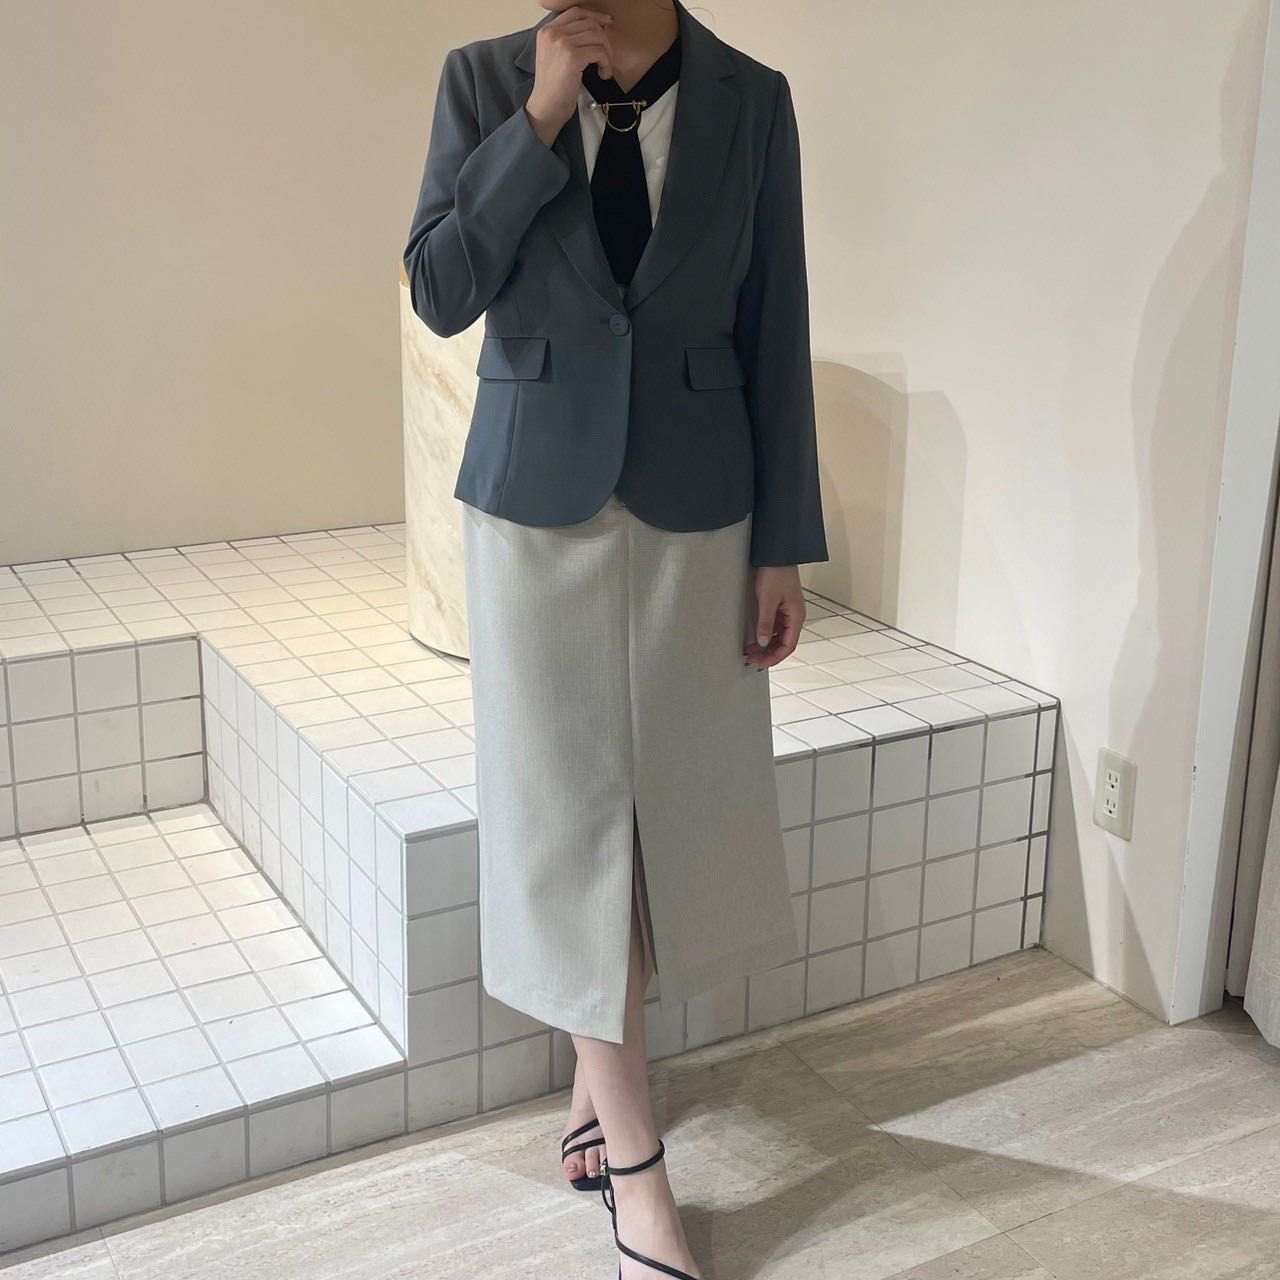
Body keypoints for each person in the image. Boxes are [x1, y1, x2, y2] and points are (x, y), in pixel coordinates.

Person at [402, 2, 828, 1274]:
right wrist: (539, 117)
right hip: (535, 505)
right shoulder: (484, 80)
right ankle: (638, 1167)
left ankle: (599, 1085)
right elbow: (440, 289)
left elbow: (776, 323)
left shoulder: (750, 96)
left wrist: (781, 542)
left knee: (666, 814)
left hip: (702, 505)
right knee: (565, 818)